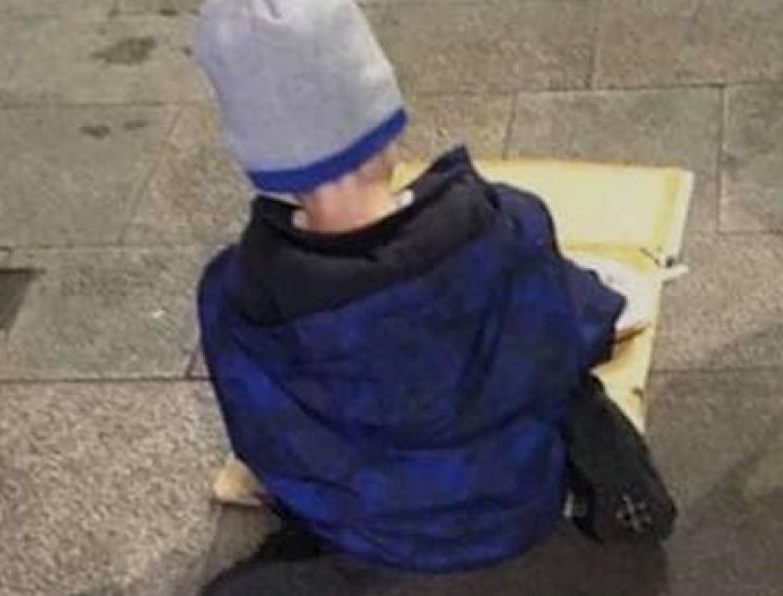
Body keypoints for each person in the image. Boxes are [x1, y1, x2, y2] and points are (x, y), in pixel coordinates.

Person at [194, 0, 676, 591]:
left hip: (365, 531)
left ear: (256, 159)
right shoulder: (507, 225)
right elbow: (582, 332)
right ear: (385, 116)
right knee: (579, 398)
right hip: (517, 511)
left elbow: (261, 443)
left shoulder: (237, 296)